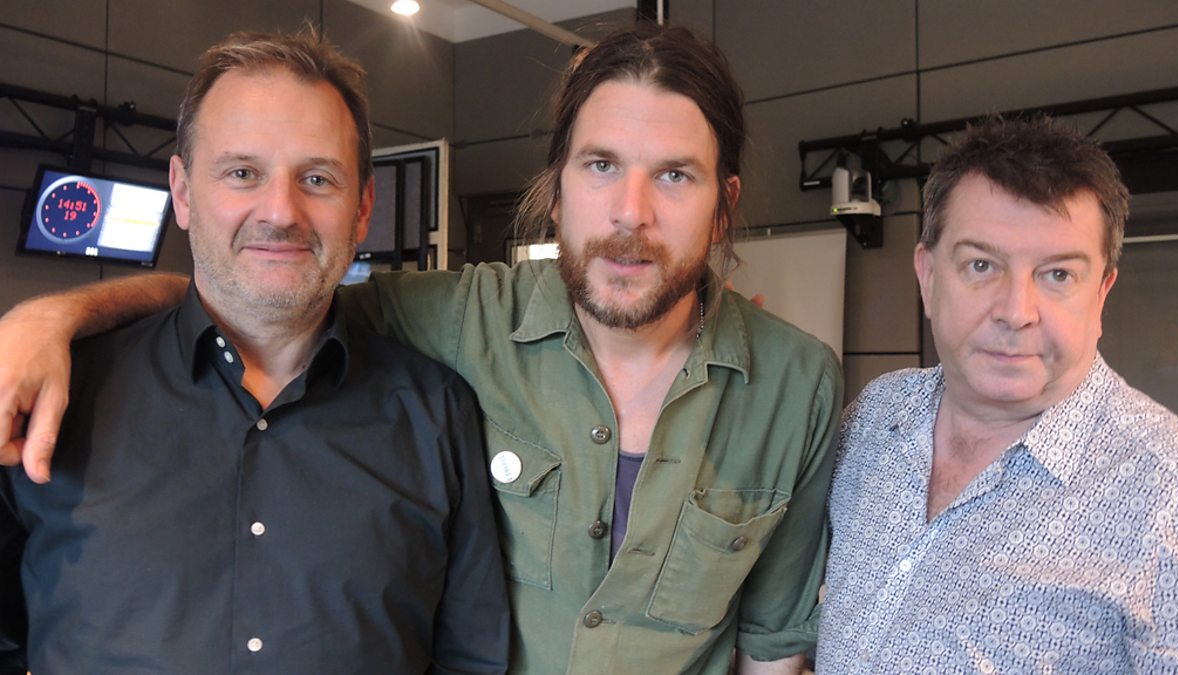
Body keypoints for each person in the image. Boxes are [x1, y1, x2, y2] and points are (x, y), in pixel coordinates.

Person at [0, 23, 841, 674]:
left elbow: (773, 649)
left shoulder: (795, 385)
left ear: (724, 205)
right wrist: (50, 320)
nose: (631, 212)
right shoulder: (464, 319)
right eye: (599, 165)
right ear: (556, 192)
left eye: (674, 175)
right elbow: (267, 292)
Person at [0, 28, 508, 673]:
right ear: (183, 192)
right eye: (243, 173)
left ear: (362, 207)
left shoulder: (436, 414)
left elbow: (470, 659)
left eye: (318, 178)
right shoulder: (50, 396)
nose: (281, 211)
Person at [819, 116, 1178, 672]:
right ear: (928, 276)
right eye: (981, 265)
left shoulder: (1177, 497)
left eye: (1058, 275)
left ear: (1101, 294)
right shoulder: (875, 416)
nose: (1016, 312)